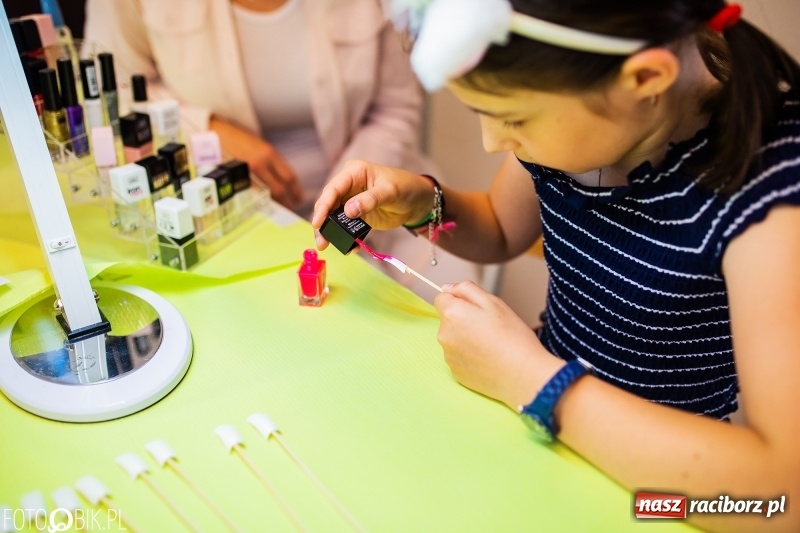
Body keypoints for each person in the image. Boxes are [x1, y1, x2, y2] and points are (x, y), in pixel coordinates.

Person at [312, 1, 800, 531]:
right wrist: (424, 204)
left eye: (514, 118)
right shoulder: (587, 118)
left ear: (645, 79)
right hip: (541, 426)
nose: (493, 142)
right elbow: (502, 227)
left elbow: (779, 500)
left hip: (664, 492)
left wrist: (529, 378)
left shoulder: (771, 195)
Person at [82, 0, 479, 298]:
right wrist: (208, 130)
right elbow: (109, 90)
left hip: (379, 193)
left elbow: (396, 107)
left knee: (449, 300)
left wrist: (347, 205)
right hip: (225, 216)